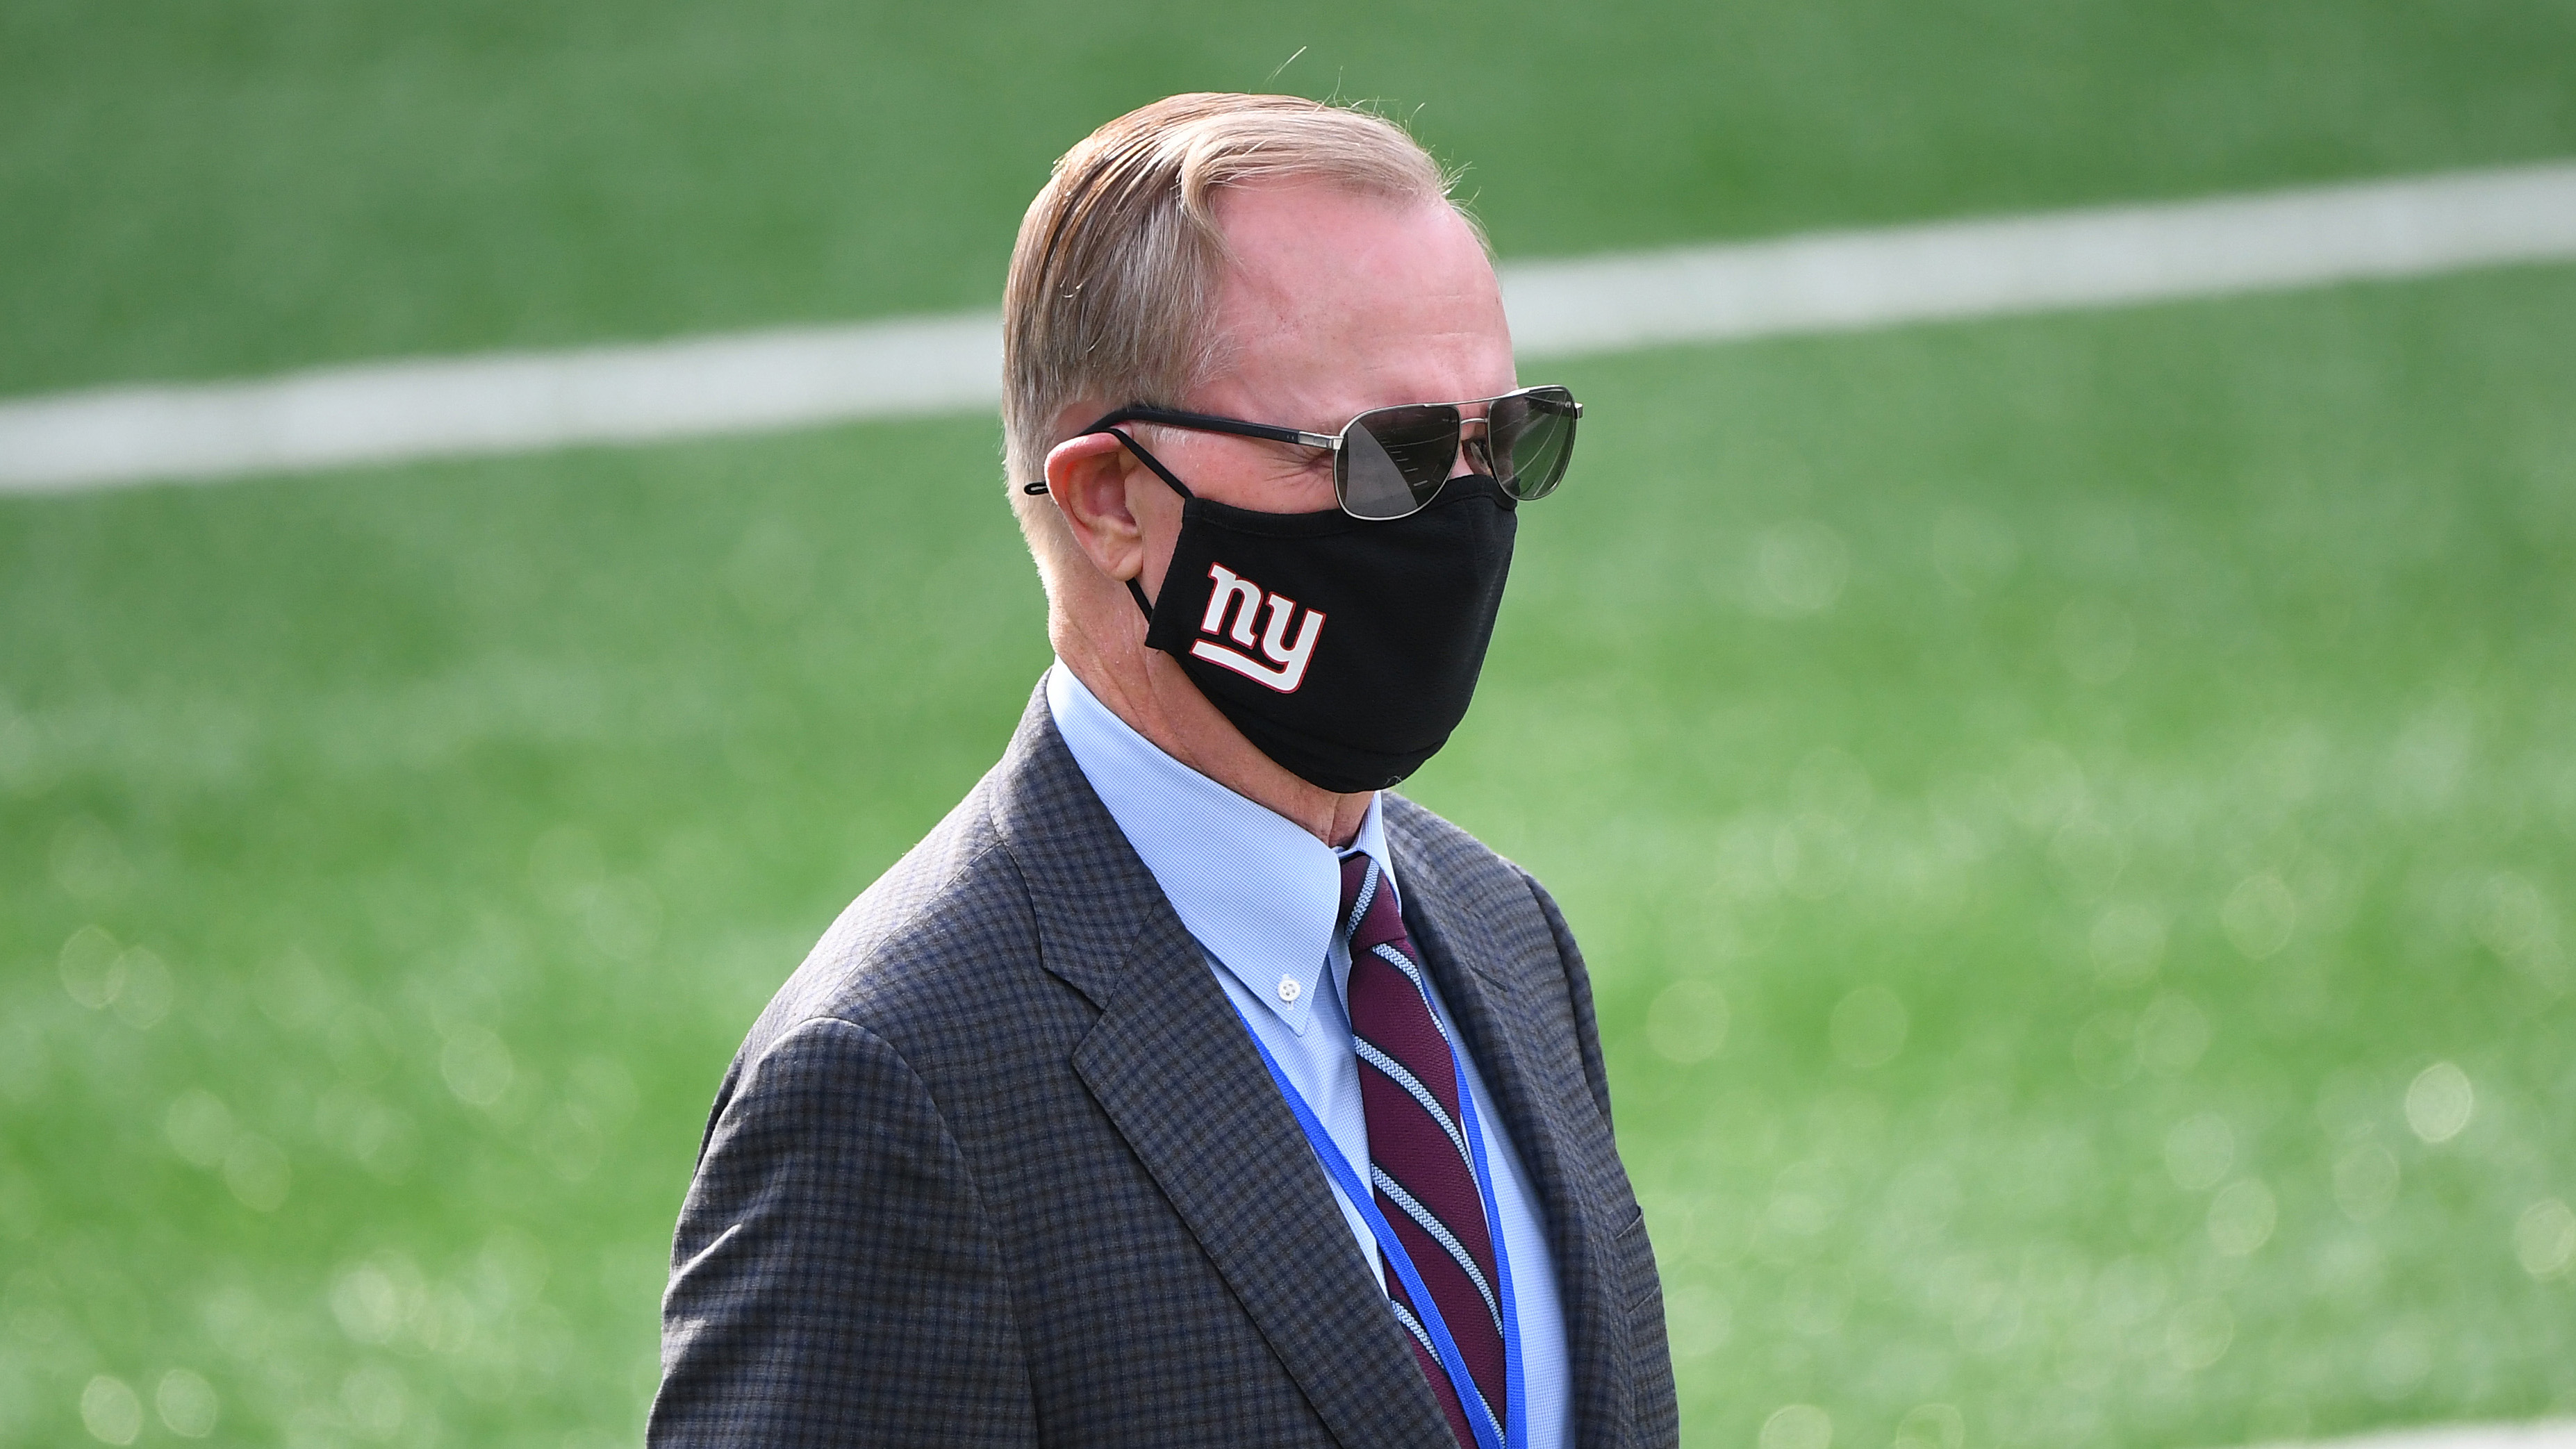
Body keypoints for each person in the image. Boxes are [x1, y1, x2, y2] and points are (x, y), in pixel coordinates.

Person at [650, 92, 1676, 1449]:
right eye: (1392, 456)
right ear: (1112, 502)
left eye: (1507, 439)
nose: (1468, 518)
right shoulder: (892, 1085)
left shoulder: (1503, 936)